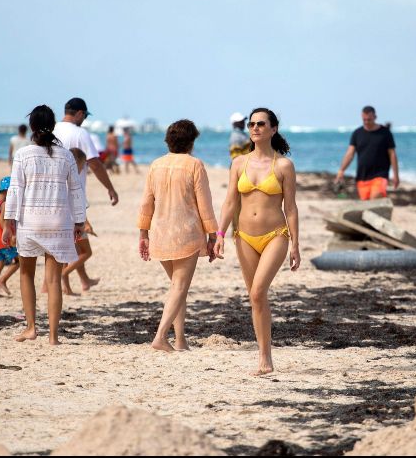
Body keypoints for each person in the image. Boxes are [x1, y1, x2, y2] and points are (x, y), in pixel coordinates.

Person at [214, 108, 300, 375]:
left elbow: (291, 208)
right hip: (244, 237)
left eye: (261, 124)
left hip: (275, 236)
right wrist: (219, 235)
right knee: (256, 298)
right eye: (251, 124)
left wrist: (295, 244)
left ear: (273, 129)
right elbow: (230, 202)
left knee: (257, 292)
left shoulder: (283, 165)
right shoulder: (239, 163)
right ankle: (265, 357)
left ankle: (265, 358)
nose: (255, 128)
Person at [3, 105, 86, 345]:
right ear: (53, 125)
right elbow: (76, 191)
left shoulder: (23, 154)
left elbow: (15, 190)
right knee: (53, 280)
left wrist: (8, 223)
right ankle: (53, 336)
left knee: (26, 274)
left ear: (32, 126)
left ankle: (31, 328)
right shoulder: (66, 155)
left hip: (31, 221)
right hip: (59, 221)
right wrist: (79, 221)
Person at [137, 120, 218, 352]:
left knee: (176, 287)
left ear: (168, 141)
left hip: (160, 234)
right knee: (180, 287)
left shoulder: (156, 165)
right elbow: (205, 205)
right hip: (186, 234)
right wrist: (213, 236)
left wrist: (143, 233)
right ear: (191, 141)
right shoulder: (195, 165)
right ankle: (161, 336)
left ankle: (181, 339)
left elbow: (146, 203)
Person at [54, 97, 118, 292]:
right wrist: (110, 188)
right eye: (85, 116)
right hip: (73, 198)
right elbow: (95, 164)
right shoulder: (80, 133)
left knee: (68, 243)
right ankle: (57, 281)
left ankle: (83, 280)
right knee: (78, 243)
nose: (84, 120)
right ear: (80, 113)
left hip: (53, 197)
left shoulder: (51, 130)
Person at [334, 106, 399, 200]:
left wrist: (396, 175)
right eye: (364, 119)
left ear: (375, 117)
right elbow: (350, 154)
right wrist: (341, 170)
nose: (366, 122)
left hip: (380, 175)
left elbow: (392, 154)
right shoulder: (357, 133)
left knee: (375, 198)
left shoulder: (385, 133)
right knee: (367, 205)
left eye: (369, 119)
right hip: (362, 176)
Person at [61, 148, 99, 295]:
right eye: (83, 165)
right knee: (86, 252)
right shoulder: (74, 181)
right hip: (75, 223)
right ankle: (64, 273)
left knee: (67, 255)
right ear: (76, 162)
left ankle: (67, 288)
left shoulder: (61, 178)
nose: (83, 168)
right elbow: (79, 206)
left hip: (63, 222)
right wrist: (87, 224)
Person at [0, 176, 19, 298]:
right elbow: (2, 221)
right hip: (4, 239)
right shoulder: (5, 204)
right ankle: (3, 280)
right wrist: (11, 235)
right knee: (18, 261)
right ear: (8, 190)